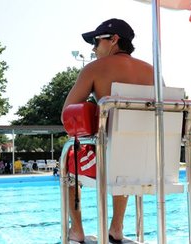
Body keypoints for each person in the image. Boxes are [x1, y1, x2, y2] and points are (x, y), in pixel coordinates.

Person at [61, 18, 154, 243]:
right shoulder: (153, 72)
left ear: (113, 40)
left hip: (110, 161)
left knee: (68, 161)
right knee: (125, 155)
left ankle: (77, 231)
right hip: (149, 163)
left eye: (96, 41)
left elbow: (67, 116)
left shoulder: (94, 68)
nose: (93, 49)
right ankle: (116, 227)